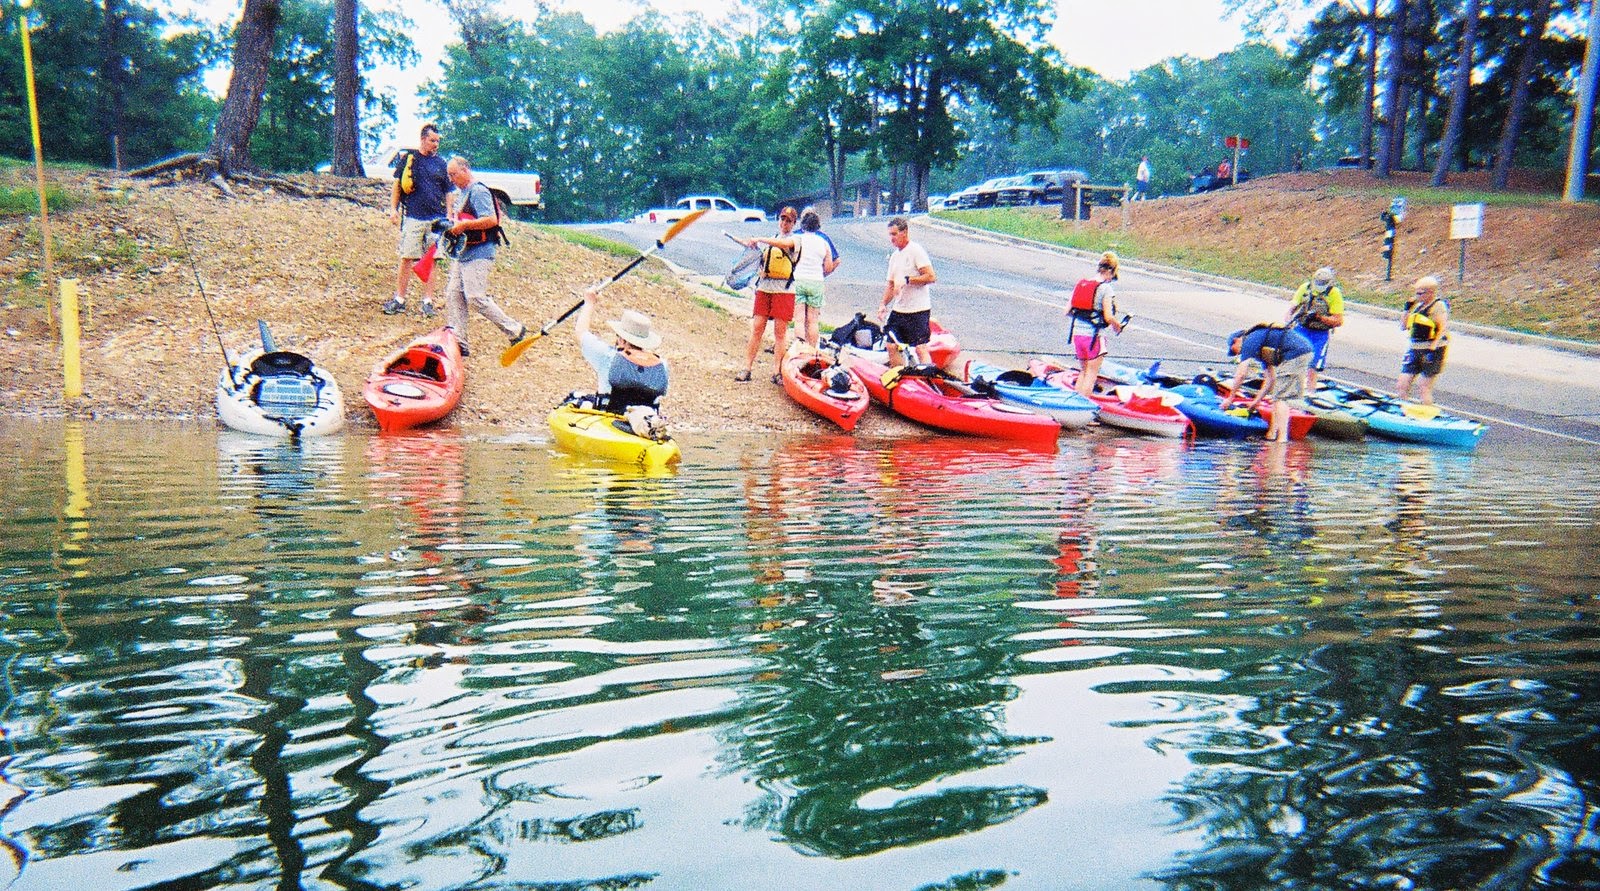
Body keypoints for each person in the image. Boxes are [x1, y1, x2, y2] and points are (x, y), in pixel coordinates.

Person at [441, 155, 525, 358]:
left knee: (475, 297)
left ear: (465, 170)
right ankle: (459, 342)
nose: (451, 179)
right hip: (463, 252)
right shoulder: (462, 193)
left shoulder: (478, 191)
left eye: (453, 174)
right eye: (449, 175)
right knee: (454, 294)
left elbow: (491, 219)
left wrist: (464, 226)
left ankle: (514, 329)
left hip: (480, 252)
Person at [385, 123, 451, 318]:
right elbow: (397, 185)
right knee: (407, 258)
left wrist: (448, 214)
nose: (436, 144)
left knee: (432, 260)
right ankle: (400, 299)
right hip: (413, 216)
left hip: (436, 220)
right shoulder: (409, 160)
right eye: (432, 140)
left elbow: (448, 192)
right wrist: (393, 209)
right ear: (423, 139)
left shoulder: (441, 164)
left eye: (438, 141)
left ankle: (428, 301)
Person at [574, 289, 667, 413]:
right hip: (642, 423)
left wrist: (589, 303)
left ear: (622, 340)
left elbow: (581, 333)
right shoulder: (661, 364)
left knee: (574, 398)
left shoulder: (608, 356)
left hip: (607, 417)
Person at [736, 206, 800, 383]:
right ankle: (746, 368)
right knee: (757, 327)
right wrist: (752, 244)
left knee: (780, 332)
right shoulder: (772, 240)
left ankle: (777, 372)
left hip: (783, 289)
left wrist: (760, 239)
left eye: (788, 221)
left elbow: (783, 245)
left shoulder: (795, 240)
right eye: (782, 219)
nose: (784, 223)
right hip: (765, 287)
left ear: (794, 223)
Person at [1222, 324, 1315, 442]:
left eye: (1234, 351)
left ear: (1236, 340)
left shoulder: (1249, 341)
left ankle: (1281, 440)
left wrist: (1230, 397)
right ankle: (1271, 435)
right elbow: (1271, 380)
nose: (1237, 354)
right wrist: (1255, 402)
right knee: (1276, 396)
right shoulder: (1261, 346)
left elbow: (1241, 374)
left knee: (1281, 398)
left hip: (1296, 354)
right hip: (1302, 352)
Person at [876, 216, 937, 366]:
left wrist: (908, 280)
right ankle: (900, 375)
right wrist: (883, 304)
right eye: (890, 234)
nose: (892, 238)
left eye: (894, 234)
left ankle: (927, 378)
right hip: (900, 309)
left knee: (920, 348)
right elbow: (891, 284)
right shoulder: (895, 257)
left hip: (918, 309)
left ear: (905, 232)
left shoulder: (916, 251)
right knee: (891, 345)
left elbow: (931, 276)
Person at [1066, 252, 1126, 398]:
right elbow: (1108, 316)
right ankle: (1083, 407)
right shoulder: (1105, 288)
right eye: (1113, 275)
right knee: (1092, 374)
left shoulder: (1082, 284)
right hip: (1094, 337)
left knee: (1083, 372)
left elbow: (1067, 311)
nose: (1112, 279)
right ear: (1111, 271)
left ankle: (1074, 404)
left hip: (1077, 335)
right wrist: (1117, 325)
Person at [1283, 265, 1345, 392]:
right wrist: (1289, 320)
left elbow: (1338, 321)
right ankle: (1289, 390)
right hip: (1301, 329)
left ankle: (1310, 395)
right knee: (1293, 361)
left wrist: (1320, 317)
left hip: (1320, 334)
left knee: (1312, 367)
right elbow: (1291, 309)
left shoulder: (1334, 294)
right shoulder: (1305, 288)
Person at [790, 210, 840, 346]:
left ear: (803, 225)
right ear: (818, 225)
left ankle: (799, 347)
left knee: (799, 319)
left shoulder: (797, 239)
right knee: (813, 320)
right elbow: (829, 267)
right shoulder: (823, 242)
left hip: (799, 280)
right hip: (816, 281)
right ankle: (811, 350)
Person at [1397, 275, 1450, 404]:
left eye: (1420, 293)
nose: (1417, 296)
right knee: (1402, 384)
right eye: (1416, 292)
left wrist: (1433, 348)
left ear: (1430, 292)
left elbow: (1442, 328)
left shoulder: (1438, 306)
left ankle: (1426, 411)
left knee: (1424, 387)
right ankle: (1403, 408)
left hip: (1431, 350)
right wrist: (1406, 310)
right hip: (1415, 348)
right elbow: (1403, 326)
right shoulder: (1417, 306)